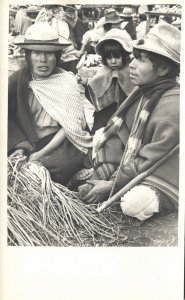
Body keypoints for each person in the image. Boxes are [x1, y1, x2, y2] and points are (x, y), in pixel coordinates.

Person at [79, 22, 180, 221]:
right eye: (134, 57)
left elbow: (152, 159)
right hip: (142, 161)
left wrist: (113, 185)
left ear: (162, 69)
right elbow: (124, 132)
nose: (131, 64)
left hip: (166, 170)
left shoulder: (173, 107)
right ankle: (103, 177)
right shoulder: (145, 91)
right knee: (103, 136)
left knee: (133, 204)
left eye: (141, 60)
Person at [8, 22, 93, 185]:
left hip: (59, 141)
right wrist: (19, 146)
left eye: (50, 54)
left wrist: (40, 154)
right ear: (27, 55)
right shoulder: (17, 80)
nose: (43, 60)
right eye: (36, 53)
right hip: (27, 140)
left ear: (58, 56)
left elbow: (70, 127)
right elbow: (6, 118)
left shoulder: (66, 81)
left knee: (56, 168)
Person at [84, 28, 134, 133]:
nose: (113, 61)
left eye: (117, 57)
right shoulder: (103, 72)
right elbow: (94, 89)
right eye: (109, 58)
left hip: (126, 114)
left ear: (124, 55)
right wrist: (86, 83)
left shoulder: (131, 72)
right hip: (104, 114)